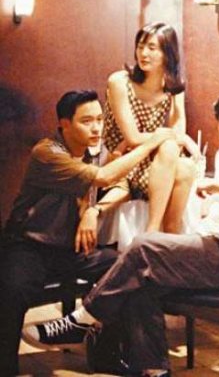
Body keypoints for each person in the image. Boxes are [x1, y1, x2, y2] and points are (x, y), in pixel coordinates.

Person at [22, 89, 219, 376]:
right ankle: (155, 369)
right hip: (213, 250)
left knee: (143, 246)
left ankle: (82, 319)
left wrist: (218, 187)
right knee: (139, 282)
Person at [0, 90, 176, 376]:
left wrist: (95, 211)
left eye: (99, 120)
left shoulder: (98, 152)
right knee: (12, 289)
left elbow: (122, 185)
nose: (96, 128)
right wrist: (152, 142)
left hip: (70, 249)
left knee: (129, 268)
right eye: (87, 121)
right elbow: (105, 177)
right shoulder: (47, 153)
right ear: (64, 125)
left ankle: (140, 363)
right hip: (28, 246)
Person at [104, 22, 198, 234]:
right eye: (140, 46)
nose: (143, 53)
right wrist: (170, 138)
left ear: (167, 53)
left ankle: (168, 235)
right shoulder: (120, 81)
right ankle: (153, 230)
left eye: (152, 48)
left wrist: (176, 139)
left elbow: (179, 132)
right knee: (170, 146)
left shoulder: (173, 86)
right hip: (124, 159)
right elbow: (132, 137)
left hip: (152, 157)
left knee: (186, 167)